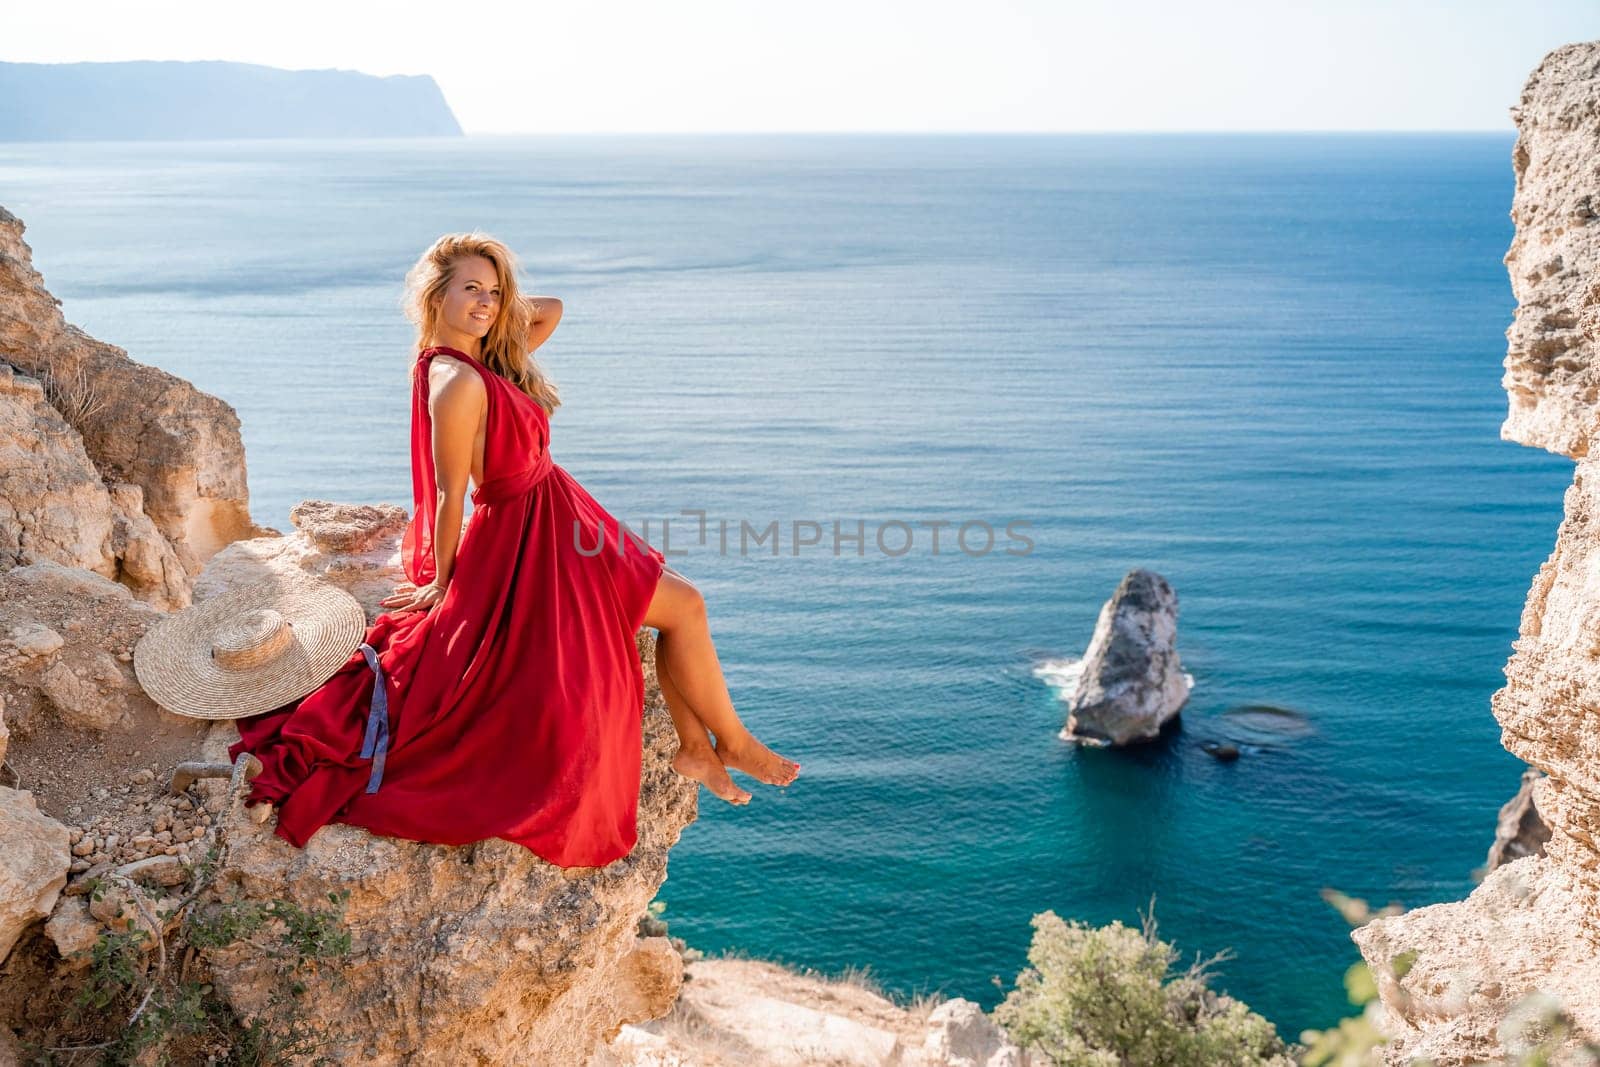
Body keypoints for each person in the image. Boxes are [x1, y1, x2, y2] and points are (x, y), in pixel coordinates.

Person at [228, 231, 799, 868]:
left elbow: (551, 308)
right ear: (433, 293)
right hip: (527, 533)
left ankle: (698, 744)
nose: (486, 302)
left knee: (677, 608)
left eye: (494, 292)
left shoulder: (485, 358)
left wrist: (491, 308)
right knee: (683, 606)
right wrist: (443, 582)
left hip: (560, 511)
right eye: (469, 288)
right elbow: (450, 495)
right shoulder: (457, 382)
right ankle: (735, 741)